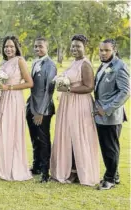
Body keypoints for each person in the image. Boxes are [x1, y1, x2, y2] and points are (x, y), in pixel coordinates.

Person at [50, 34, 100, 186]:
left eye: (78, 46)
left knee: (77, 136)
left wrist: (69, 88)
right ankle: (68, 169)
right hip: (68, 103)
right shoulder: (74, 63)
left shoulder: (85, 64)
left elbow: (89, 86)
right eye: (72, 46)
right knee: (67, 136)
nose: (74, 49)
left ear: (85, 47)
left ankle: (78, 171)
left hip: (79, 104)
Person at [0, 35, 33, 181]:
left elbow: (29, 83)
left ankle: (14, 167)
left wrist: (8, 87)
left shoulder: (19, 61)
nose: (8, 49)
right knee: (2, 131)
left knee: (12, 131)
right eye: (6, 47)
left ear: (16, 48)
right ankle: (2, 166)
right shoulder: (3, 63)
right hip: (3, 99)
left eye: (11, 46)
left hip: (14, 99)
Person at [94, 39, 129, 190]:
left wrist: (107, 108)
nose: (102, 53)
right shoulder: (103, 65)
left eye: (106, 50)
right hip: (101, 115)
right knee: (107, 147)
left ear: (114, 50)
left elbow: (126, 91)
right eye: (101, 50)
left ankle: (109, 180)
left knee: (110, 148)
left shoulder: (120, 66)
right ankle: (114, 175)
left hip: (111, 116)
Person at [26, 37, 57, 183]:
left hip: (42, 109)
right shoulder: (34, 62)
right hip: (31, 106)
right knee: (34, 138)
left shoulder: (50, 65)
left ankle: (45, 171)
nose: (37, 49)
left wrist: (41, 111)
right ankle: (36, 165)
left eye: (40, 46)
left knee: (43, 140)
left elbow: (49, 90)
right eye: (35, 46)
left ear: (47, 48)